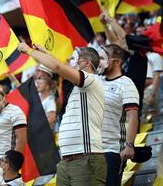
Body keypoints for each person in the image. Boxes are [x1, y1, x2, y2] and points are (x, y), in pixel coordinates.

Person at [18, 43, 107, 185]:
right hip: (67, 160)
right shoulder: (79, 87)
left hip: (85, 157)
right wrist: (46, 53)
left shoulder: (91, 80)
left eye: (74, 59)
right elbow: (60, 67)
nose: (71, 62)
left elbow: (58, 67)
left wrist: (29, 51)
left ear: (86, 63)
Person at [100, 44, 139, 186]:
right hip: (90, 150)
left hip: (112, 150)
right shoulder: (96, 80)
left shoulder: (126, 84)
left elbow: (133, 116)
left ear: (118, 61)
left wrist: (129, 145)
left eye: (104, 58)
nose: (100, 61)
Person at [34, 64, 57, 129]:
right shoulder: (38, 96)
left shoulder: (50, 100)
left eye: (40, 83)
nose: (37, 85)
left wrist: (38, 127)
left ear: (47, 85)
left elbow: (52, 118)